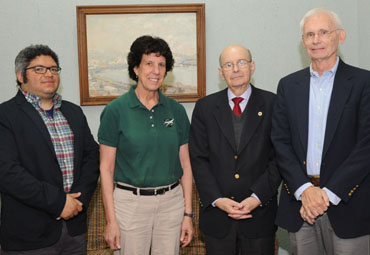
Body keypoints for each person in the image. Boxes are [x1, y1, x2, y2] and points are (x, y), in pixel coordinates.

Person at [271, 8, 370, 255]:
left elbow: (366, 145)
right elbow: (280, 143)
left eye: (324, 32)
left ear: (341, 36)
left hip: (349, 205)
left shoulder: (363, 83)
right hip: (300, 205)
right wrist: (305, 191)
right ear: (303, 41)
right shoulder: (288, 85)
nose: (316, 40)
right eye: (310, 34)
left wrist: (325, 196)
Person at [98, 35, 194, 255]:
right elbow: (106, 168)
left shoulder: (176, 111)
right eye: (149, 63)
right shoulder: (115, 110)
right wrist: (111, 221)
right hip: (130, 204)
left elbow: (186, 165)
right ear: (136, 69)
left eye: (161, 65)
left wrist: (188, 215)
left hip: (171, 204)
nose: (156, 71)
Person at [0, 44, 100, 254]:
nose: (49, 74)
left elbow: (92, 157)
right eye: (39, 69)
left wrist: (77, 201)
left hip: (74, 229)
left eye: (54, 69)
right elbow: (7, 172)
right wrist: (58, 202)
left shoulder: (73, 112)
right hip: (29, 234)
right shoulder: (6, 115)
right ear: (20, 76)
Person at [189, 44, 281, 255]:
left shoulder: (273, 103)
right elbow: (198, 159)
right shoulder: (205, 107)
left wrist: (256, 198)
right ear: (221, 73)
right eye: (229, 65)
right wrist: (218, 200)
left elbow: (278, 158)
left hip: (259, 216)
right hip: (218, 219)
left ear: (252, 66)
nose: (236, 69)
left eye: (241, 62)